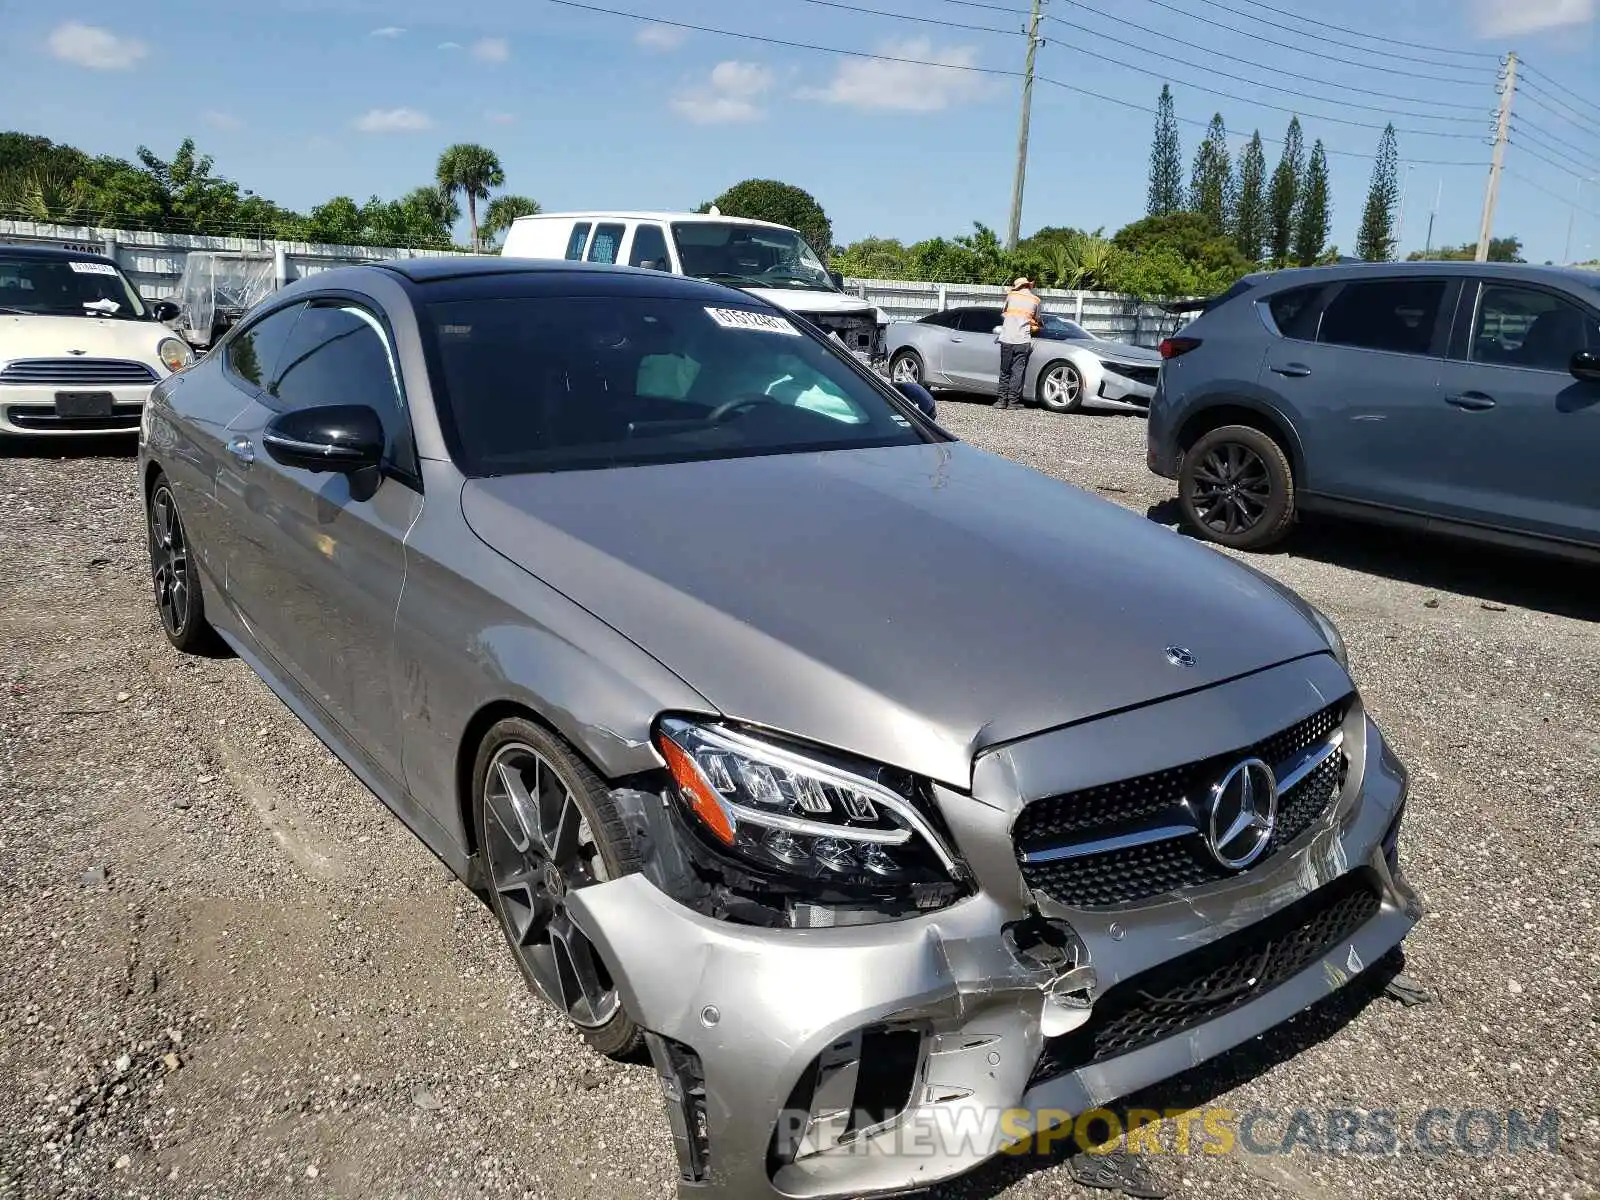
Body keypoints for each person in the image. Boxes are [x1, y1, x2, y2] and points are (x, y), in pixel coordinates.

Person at [996, 276, 1041, 409]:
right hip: (1022, 340)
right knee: (1017, 372)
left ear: (1018, 286)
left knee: (1005, 371)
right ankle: (1012, 402)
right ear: (1028, 286)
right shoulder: (1035, 300)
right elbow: (1037, 320)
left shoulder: (1011, 296)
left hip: (1007, 338)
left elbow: (1004, 313)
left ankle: (1001, 401)